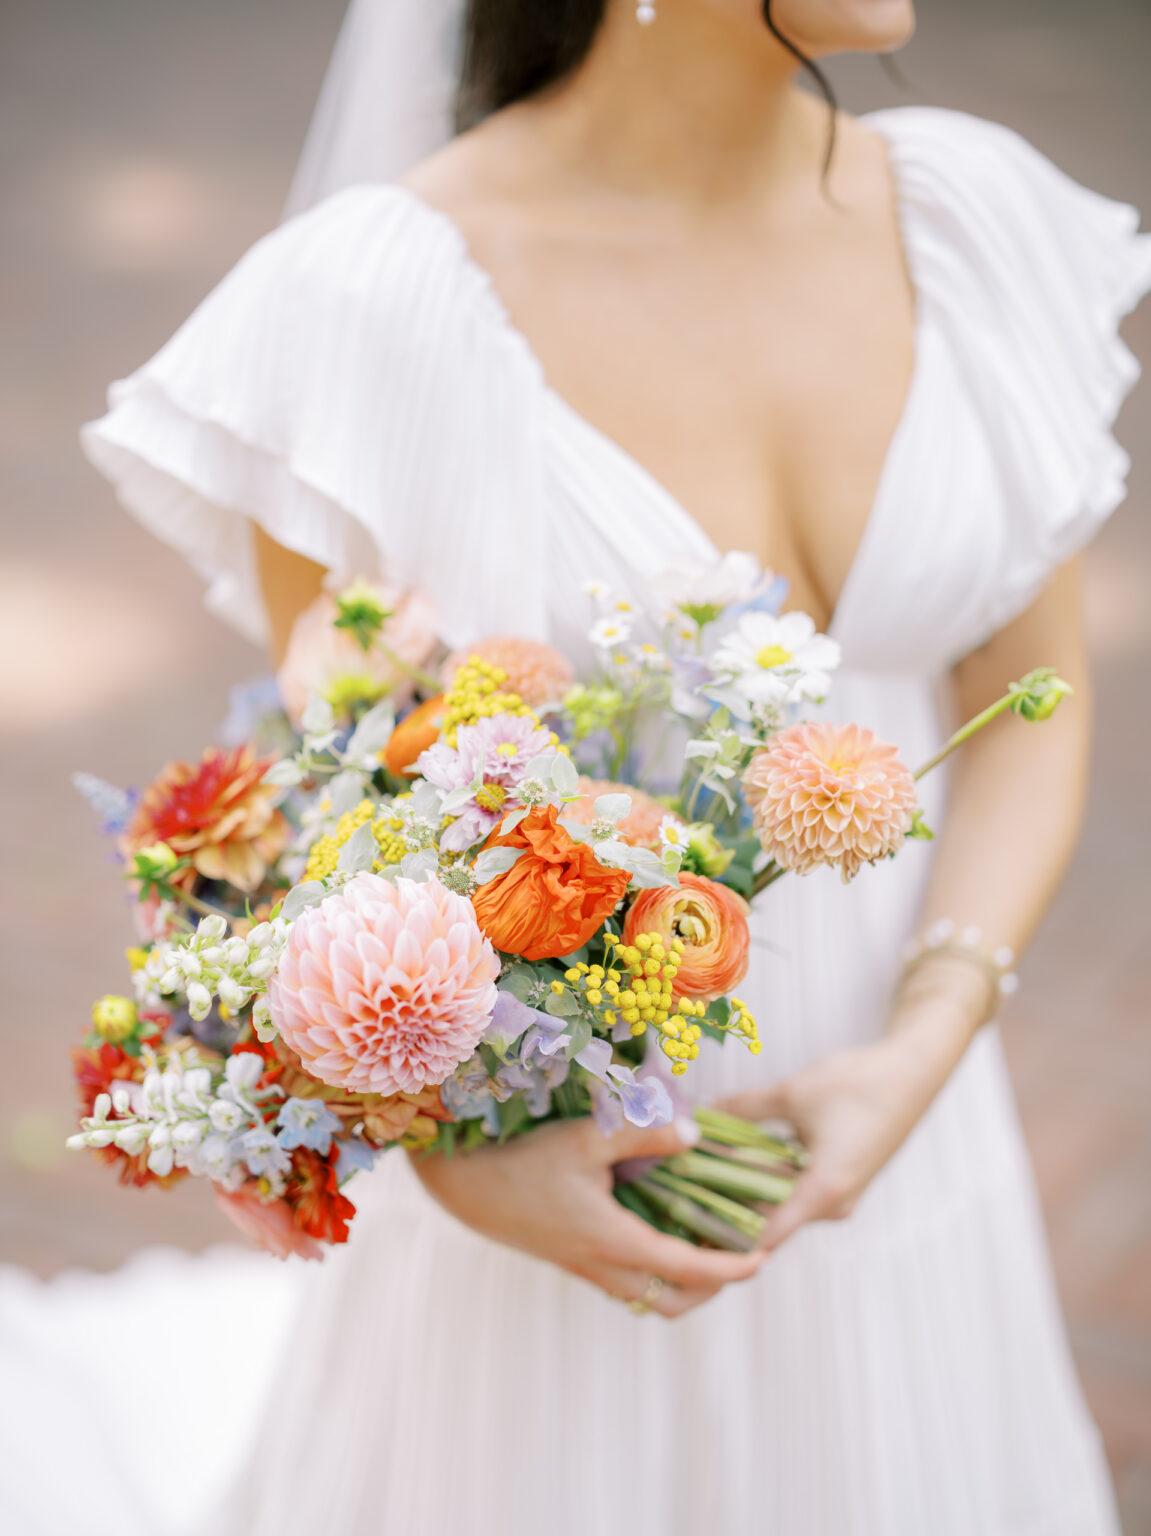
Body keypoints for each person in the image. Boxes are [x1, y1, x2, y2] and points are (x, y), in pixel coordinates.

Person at [79, 1, 1151, 1531]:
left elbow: (1024, 709)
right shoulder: (372, 304)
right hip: (548, 1197)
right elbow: (337, 820)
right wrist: (463, 1166)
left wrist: (925, 1042)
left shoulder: (972, 219)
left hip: (905, 1135)